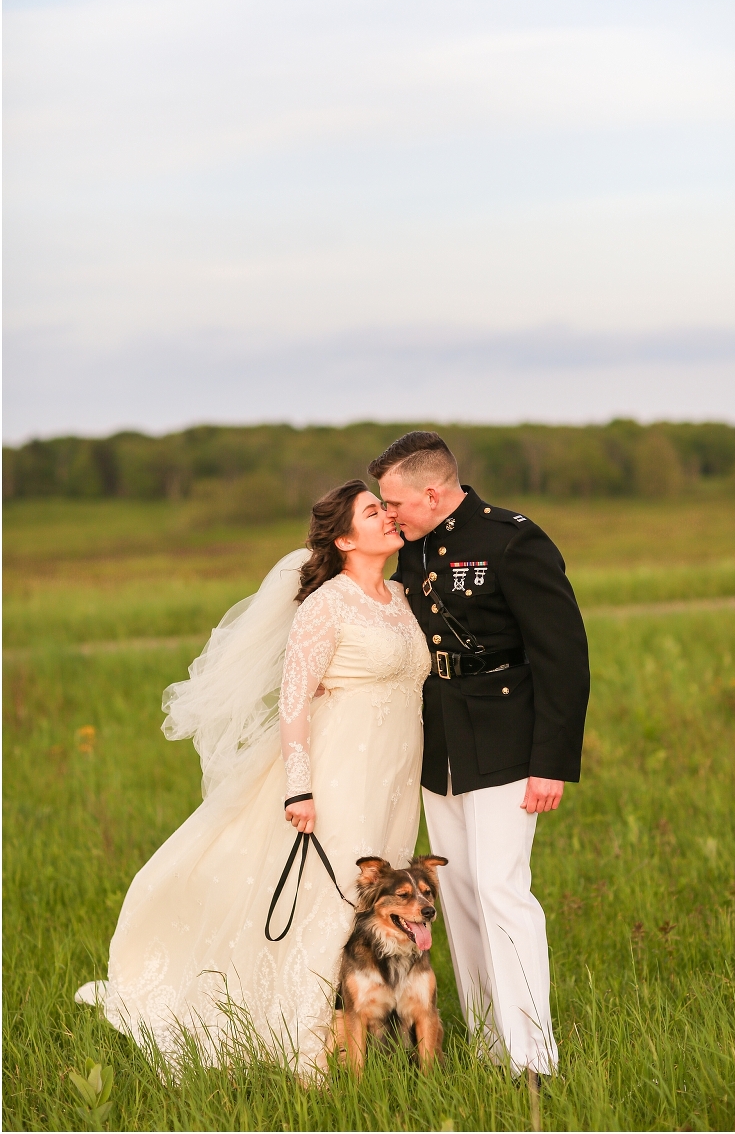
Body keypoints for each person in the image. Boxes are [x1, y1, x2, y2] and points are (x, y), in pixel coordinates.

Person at [75, 480, 430, 1075]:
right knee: (331, 898)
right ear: (345, 537)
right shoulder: (326, 606)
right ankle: (306, 1045)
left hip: (395, 770)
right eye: (374, 512)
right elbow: (294, 700)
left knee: (377, 897)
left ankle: (366, 1028)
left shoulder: (399, 596)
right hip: (341, 769)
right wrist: (300, 787)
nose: (388, 517)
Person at [369, 431, 590, 1078]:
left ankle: (534, 1056)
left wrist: (551, 759)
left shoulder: (512, 540)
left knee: (500, 889)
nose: (389, 514)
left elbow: (563, 656)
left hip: (507, 741)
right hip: (442, 744)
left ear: (432, 492)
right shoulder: (414, 548)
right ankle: (494, 1045)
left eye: (395, 501)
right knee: (458, 895)